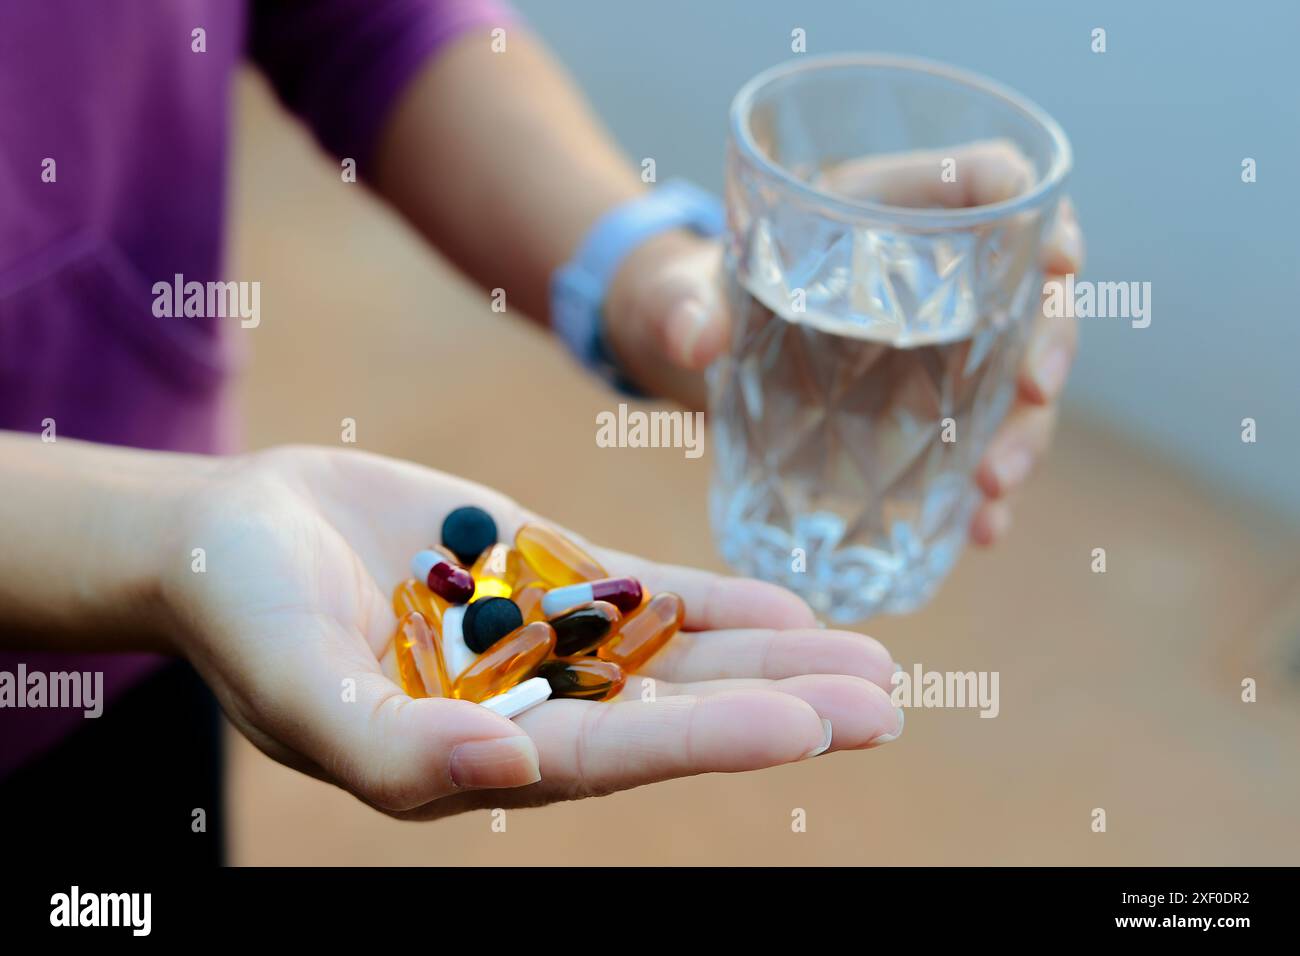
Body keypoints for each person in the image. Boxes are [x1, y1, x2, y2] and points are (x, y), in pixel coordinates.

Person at [0, 0, 1083, 864]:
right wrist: (164, 535)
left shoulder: (458, 595)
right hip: (152, 570)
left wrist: (661, 288)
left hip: (139, 656)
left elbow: (361, 18)